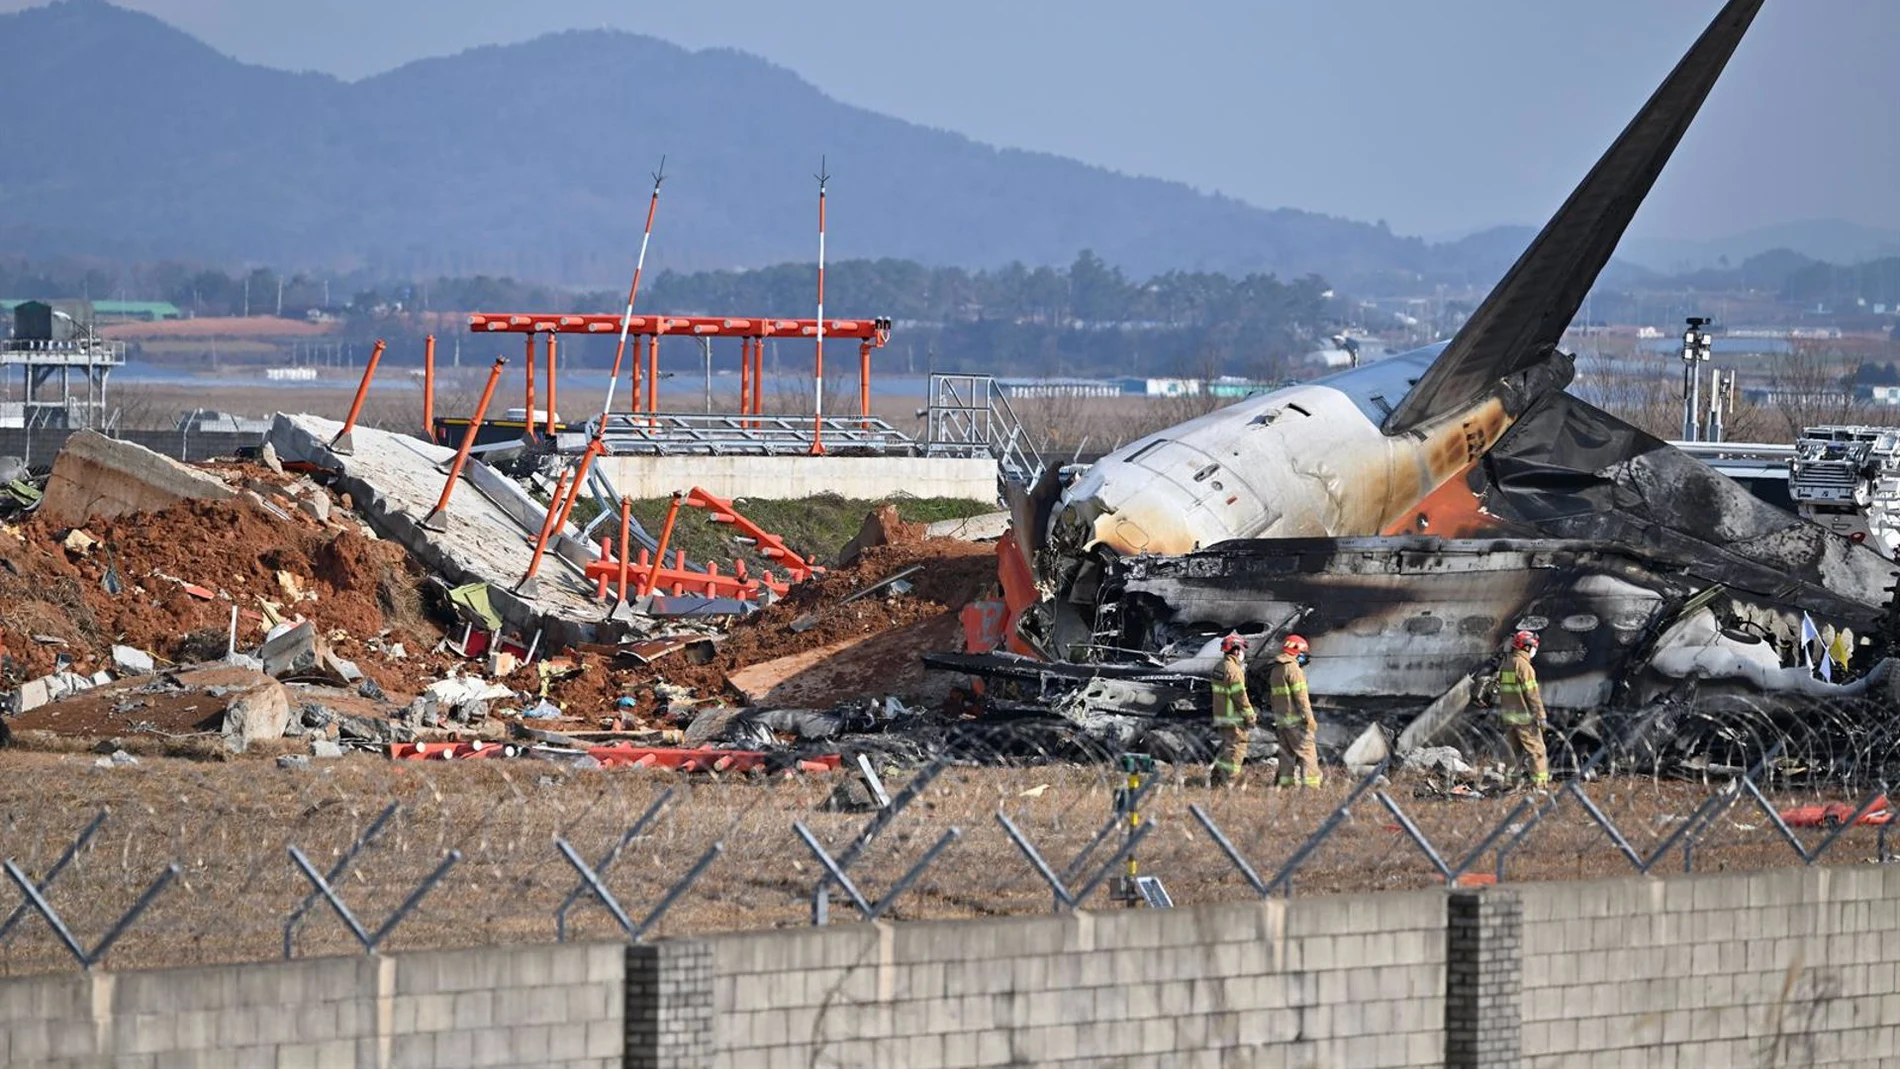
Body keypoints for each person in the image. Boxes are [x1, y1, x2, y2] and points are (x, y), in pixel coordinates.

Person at [1268, 635, 1321, 788]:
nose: (1304, 656)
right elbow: (1301, 698)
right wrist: (1310, 718)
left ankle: (1287, 786)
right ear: (1295, 650)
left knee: (1286, 754)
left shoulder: (1276, 670)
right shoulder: (1293, 669)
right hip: (1296, 720)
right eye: (1303, 652)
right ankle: (1311, 787)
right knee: (1308, 752)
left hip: (1282, 720)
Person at [1498, 630, 1549, 787]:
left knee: (1512, 753)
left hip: (1509, 716)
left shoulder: (1507, 664)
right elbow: (1532, 695)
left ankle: (1509, 784)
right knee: (1537, 751)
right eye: (1534, 646)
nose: (1534, 650)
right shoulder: (1524, 667)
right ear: (1526, 647)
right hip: (1524, 717)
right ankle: (1540, 785)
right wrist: (1541, 716)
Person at [1209, 633, 1255, 787]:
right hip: (1234, 717)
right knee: (1236, 750)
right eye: (1242, 650)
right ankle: (1228, 781)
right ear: (1235, 650)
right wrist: (1250, 716)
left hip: (1222, 715)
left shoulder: (1219, 667)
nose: (1243, 654)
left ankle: (1216, 778)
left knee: (1226, 747)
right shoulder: (1234, 671)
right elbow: (1240, 697)